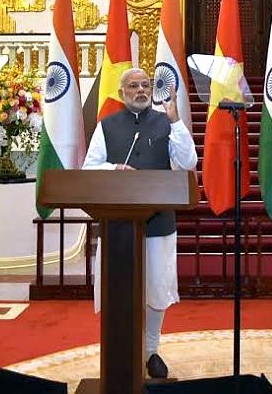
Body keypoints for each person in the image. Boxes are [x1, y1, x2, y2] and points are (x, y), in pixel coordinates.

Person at [83, 67, 197, 380]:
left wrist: (176, 121)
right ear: (122, 93)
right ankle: (120, 349)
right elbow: (89, 168)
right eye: (133, 86)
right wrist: (113, 169)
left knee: (157, 288)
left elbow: (188, 162)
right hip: (118, 225)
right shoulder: (107, 126)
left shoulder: (166, 122)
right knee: (117, 286)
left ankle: (151, 351)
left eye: (145, 85)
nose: (141, 90)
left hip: (158, 221)